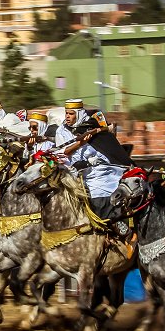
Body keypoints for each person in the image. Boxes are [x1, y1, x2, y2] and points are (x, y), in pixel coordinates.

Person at [55, 99, 133, 234]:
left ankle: (121, 226)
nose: (67, 116)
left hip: (102, 169)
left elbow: (106, 146)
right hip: (77, 172)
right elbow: (63, 153)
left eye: (71, 114)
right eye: (66, 113)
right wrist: (80, 143)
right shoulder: (61, 131)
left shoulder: (91, 126)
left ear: (78, 114)